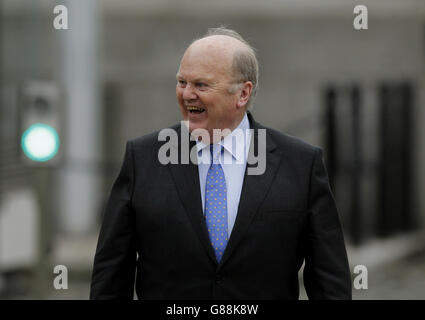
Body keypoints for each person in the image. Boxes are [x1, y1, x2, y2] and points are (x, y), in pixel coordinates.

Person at [90, 27, 352, 300]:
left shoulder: (301, 165)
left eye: (201, 85)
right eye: (182, 82)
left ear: (242, 94)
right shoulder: (143, 158)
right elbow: (110, 276)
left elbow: (330, 282)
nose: (187, 94)